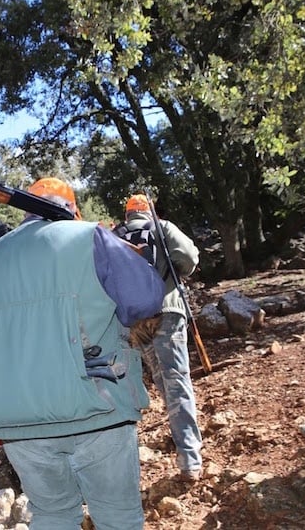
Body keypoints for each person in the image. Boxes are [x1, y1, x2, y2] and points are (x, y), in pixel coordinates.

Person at [0, 178, 165, 529]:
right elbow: (144, 301)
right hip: (98, 408)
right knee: (119, 517)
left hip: (20, 424)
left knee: (52, 515)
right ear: (72, 209)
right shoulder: (89, 236)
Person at [117, 193, 203, 482]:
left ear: (128, 214)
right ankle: (189, 456)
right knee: (176, 379)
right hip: (167, 311)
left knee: (159, 378)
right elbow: (189, 258)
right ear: (148, 210)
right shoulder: (162, 227)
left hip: (135, 321)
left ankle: (175, 431)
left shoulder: (114, 235)